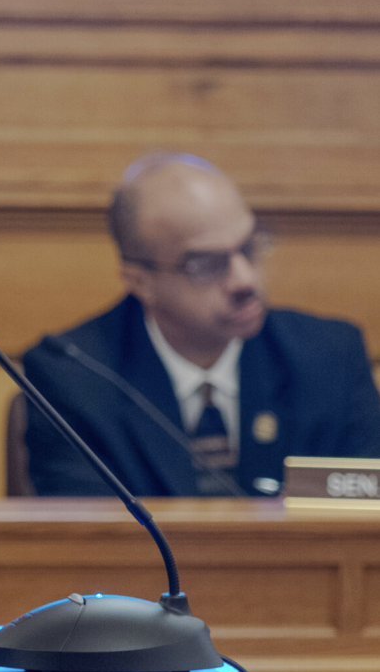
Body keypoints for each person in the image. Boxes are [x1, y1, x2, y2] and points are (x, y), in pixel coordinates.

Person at [22, 153, 380, 498]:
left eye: (249, 247)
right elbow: (87, 534)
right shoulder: (73, 378)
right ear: (140, 281)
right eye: (206, 264)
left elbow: (365, 515)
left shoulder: (331, 358)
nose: (244, 280)